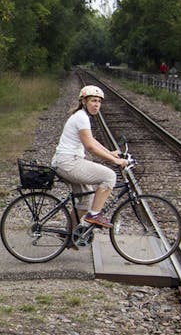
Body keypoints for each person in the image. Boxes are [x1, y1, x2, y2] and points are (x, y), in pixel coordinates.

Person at [51, 85, 128, 229]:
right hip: (69, 163)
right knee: (109, 176)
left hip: (65, 162)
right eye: (93, 101)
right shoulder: (81, 117)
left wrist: (110, 153)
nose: (96, 104)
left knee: (86, 199)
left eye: (99, 101)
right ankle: (94, 215)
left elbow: (92, 140)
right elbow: (90, 147)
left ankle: (69, 234)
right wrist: (115, 160)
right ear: (84, 101)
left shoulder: (81, 116)